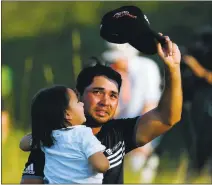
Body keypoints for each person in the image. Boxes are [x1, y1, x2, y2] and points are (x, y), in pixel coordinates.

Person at [20, 34, 182, 184]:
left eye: (113, 96)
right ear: (79, 96)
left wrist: (173, 69)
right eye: (97, 92)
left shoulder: (118, 132)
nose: (106, 101)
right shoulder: (51, 139)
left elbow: (167, 118)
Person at [21, 85, 109, 183]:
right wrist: (106, 161)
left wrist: (40, 134)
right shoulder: (83, 134)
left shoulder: (48, 137)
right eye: (77, 101)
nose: (82, 104)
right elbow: (100, 165)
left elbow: (23, 144)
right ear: (67, 114)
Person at [102, 42, 163, 183]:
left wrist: (138, 137)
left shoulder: (147, 68)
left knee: (137, 166)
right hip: (120, 127)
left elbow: (150, 105)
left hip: (145, 124)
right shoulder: (112, 71)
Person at [180, 26, 212, 183]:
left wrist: (194, 65)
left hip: (207, 106)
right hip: (198, 103)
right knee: (196, 143)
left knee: (205, 143)